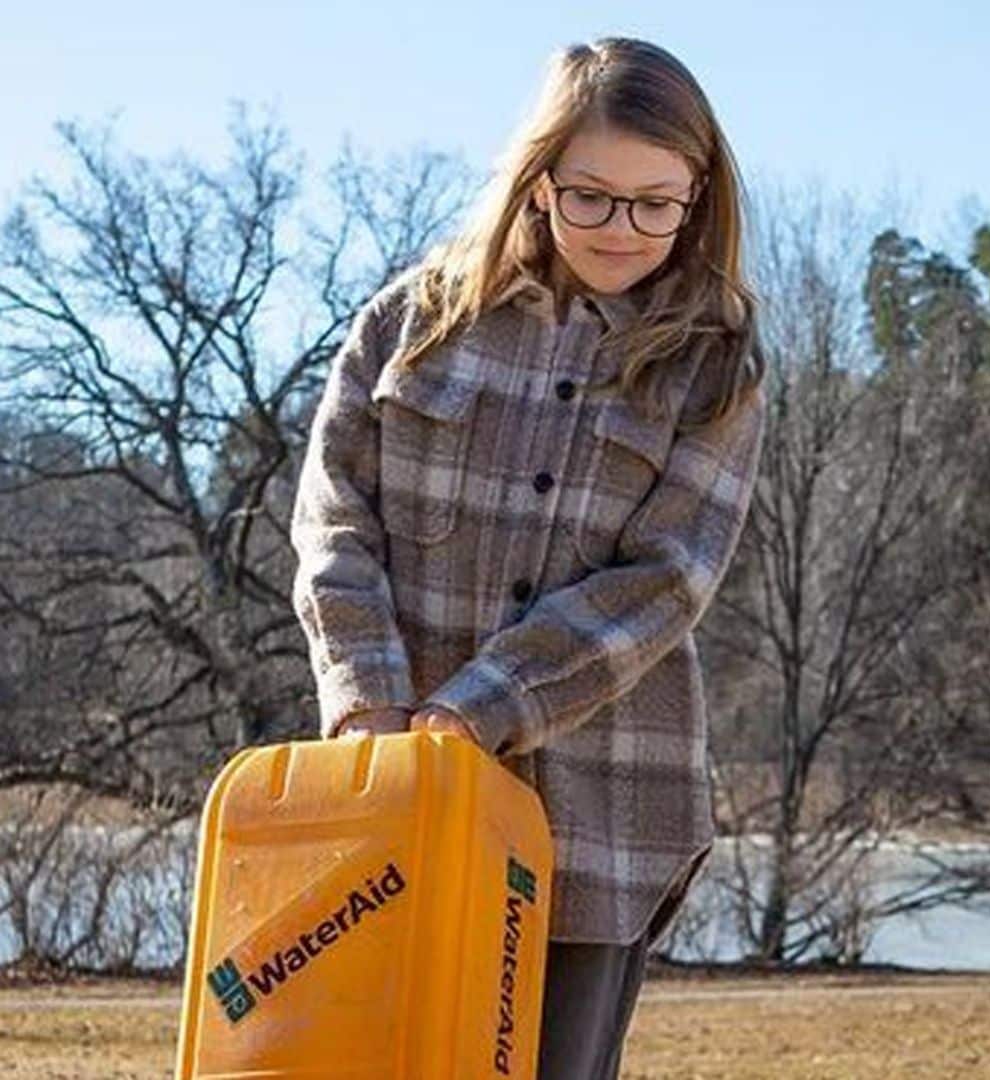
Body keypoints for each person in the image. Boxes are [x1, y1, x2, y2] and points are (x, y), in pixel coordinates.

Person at [290, 34, 766, 1079]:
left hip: (601, 817)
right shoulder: (411, 324)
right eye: (592, 195)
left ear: (697, 199)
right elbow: (334, 517)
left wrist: (479, 707)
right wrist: (374, 699)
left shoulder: (715, 365)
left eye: (657, 202)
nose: (623, 228)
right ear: (538, 179)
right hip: (388, 797)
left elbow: (666, 580)